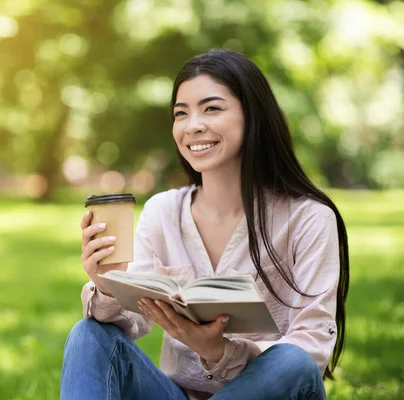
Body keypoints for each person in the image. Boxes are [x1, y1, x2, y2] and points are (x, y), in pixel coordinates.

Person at [60, 49, 349, 400]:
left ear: (253, 115)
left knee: (294, 361)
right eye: (181, 113)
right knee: (88, 335)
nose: (193, 125)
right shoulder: (163, 211)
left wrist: (218, 352)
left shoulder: (309, 218)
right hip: (177, 393)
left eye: (211, 108)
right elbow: (132, 323)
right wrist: (106, 284)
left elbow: (313, 350)